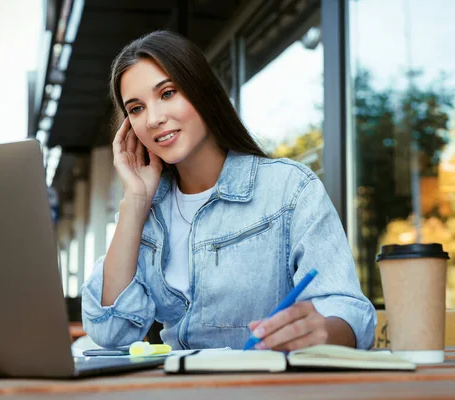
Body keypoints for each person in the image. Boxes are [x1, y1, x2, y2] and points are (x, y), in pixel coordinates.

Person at [81, 30, 376, 351]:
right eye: (136, 108)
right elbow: (111, 331)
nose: (154, 119)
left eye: (167, 93)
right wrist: (135, 202)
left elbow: (350, 312)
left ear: (202, 92)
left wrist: (325, 333)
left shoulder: (289, 190)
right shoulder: (150, 211)